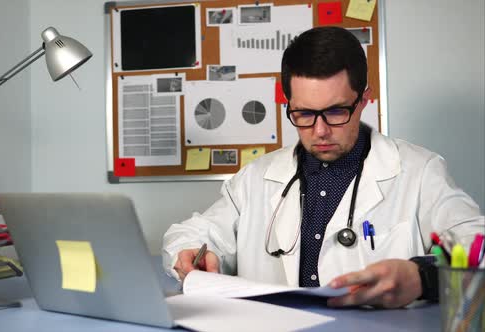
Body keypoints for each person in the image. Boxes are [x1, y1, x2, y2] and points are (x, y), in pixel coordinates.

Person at [162, 26, 484, 308]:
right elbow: (191, 235)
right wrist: (190, 253)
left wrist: (423, 277)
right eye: (303, 114)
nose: (319, 131)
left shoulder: (419, 171)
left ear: (363, 100)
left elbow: (477, 244)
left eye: (335, 111)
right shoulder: (256, 178)